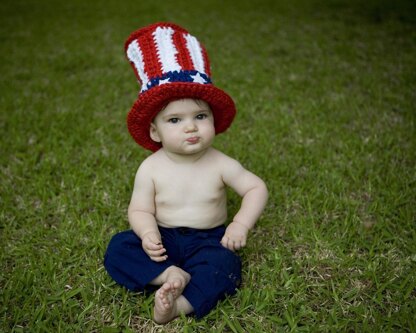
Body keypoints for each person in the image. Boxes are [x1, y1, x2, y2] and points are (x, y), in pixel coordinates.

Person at [104, 22, 268, 324]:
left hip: (209, 240)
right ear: (155, 131)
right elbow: (140, 208)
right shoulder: (151, 168)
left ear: (213, 121)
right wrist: (147, 233)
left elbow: (255, 188)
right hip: (163, 237)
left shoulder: (220, 163)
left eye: (200, 116)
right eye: (175, 120)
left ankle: (178, 305)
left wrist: (240, 225)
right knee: (119, 248)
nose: (190, 127)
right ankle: (167, 274)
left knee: (225, 265)